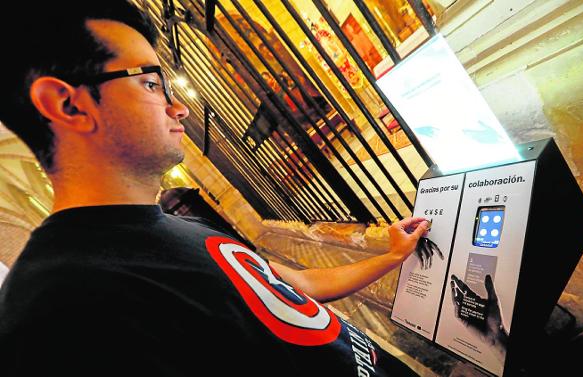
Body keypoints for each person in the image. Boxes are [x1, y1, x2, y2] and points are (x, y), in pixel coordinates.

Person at [0, 2, 430, 376]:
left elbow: (297, 285)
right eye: (149, 83)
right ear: (69, 104)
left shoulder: (177, 230)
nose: (178, 106)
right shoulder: (56, 306)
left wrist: (391, 255)